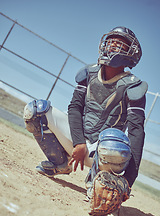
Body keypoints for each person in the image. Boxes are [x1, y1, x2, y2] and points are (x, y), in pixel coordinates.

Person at [23, 26, 147, 193]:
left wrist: (128, 180)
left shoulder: (134, 86)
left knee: (115, 141)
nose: (112, 46)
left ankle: (97, 182)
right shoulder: (89, 73)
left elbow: (136, 132)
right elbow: (74, 108)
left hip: (104, 154)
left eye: (120, 44)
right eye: (111, 42)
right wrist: (79, 142)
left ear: (131, 53)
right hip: (77, 144)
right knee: (36, 110)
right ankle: (60, 163)